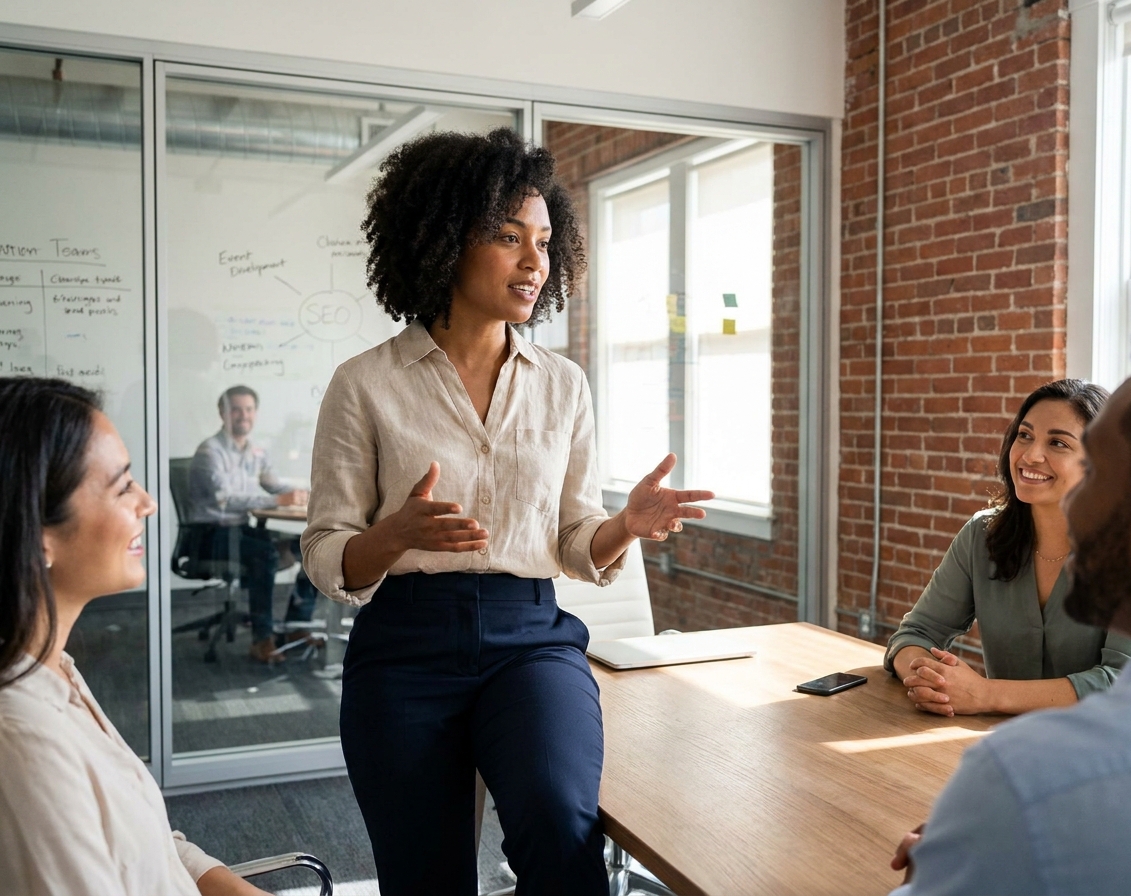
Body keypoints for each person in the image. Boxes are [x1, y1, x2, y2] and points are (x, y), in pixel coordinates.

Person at [301, 128, 714, 896]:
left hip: (530, 638)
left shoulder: (564, 385)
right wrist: (391, 538)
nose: (535, 262)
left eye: (546, 242)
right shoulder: (365, 384)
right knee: (427, 878)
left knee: (560, 824)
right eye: (508, 237)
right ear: (444, 240)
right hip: (405, 645)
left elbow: (570, 539)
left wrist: (626, 526)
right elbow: (327, 551)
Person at [889, 317, 1131, 895]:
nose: (1081, 509)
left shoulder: (1028, 775)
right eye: (1023, 436)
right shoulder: (984, 534)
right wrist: (994, 836)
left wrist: (989, 833)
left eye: (1101, 473)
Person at [0, 377, 270, 896]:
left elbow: (143, 841)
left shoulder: (57, 670)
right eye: (124, 486)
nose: (147, 503)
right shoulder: (25, 740)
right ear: (39, 534)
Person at [884, 379, 1131, 715]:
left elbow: (1126, 683)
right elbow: (916, 633)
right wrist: (932, 678)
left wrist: (987, 694)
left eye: (1058, 443)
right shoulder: (981, 535)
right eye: (1025, 435)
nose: (1030, 455)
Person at [188, 385, 317, 662]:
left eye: (248, 409)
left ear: (255, 414)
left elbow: (273, 484)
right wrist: (278, 500)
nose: (242, 415)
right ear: (223, 413)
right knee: (265, 554)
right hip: (210, 535)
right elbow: (226, 499)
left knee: (312, 547)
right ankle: (262, 640)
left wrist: (308, 490)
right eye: (236, 409)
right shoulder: (209, 452)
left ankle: (297, 625)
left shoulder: (254, 452)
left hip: (240, 531)